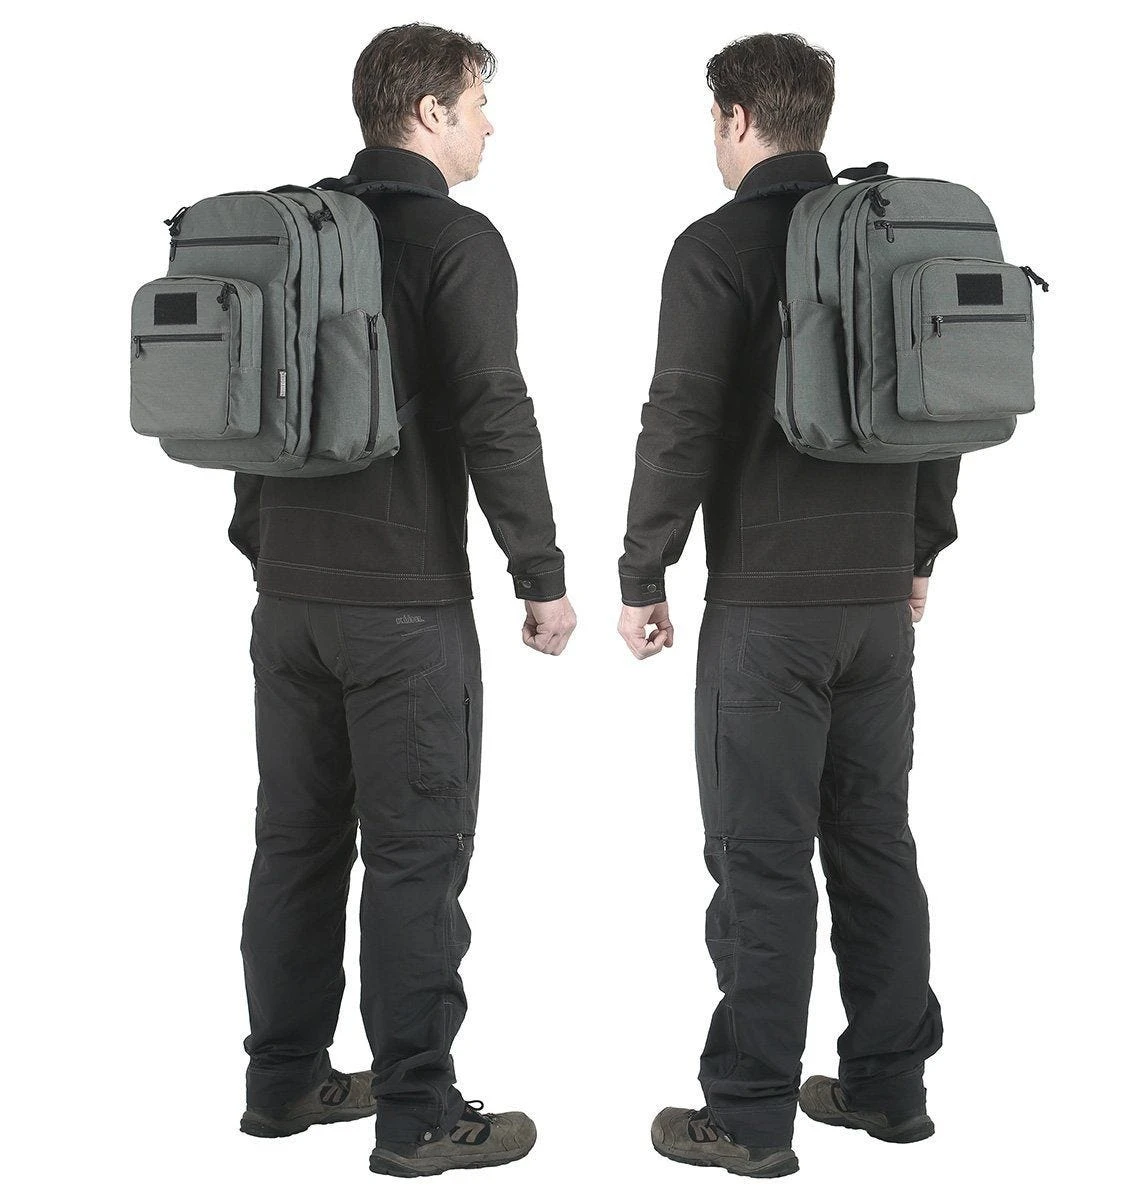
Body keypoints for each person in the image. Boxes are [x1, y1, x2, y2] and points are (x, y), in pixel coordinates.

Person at [228, 22, 575, 1179]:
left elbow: (251, 407)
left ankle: (283, 1084)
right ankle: (418, 1115)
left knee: (293, 843)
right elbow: (494, 413)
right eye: (477, 104)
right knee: (417, 857)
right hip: (404, 612)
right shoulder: (456, 241)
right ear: (429, 113)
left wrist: (267, 546)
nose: (489, 126)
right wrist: (540, 574)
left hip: (289, 600)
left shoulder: (296, 231)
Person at [617, 33, 959, 1178]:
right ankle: (890, 1092)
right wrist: (920, 548)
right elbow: (942, 410)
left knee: (761, 863)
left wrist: (644, 571)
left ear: (734, 118)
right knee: (875, 846)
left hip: (766, 614)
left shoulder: (715, 248)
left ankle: (751, 1118)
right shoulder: (893, 238)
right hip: (875, 608)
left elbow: (680, 418)